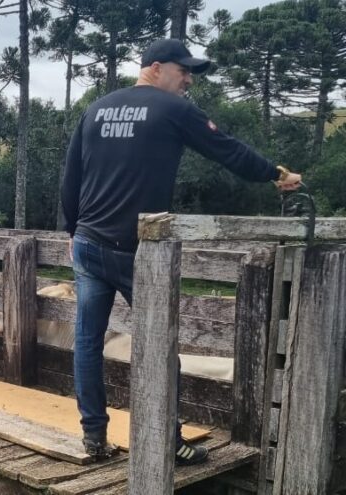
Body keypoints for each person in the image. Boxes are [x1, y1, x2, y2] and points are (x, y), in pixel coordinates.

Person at [61, 38, 302, 465]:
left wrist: (69, 228)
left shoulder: (96, 109)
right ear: (155, 68)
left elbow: (71, 176)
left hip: (87, 243)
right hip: (138, 251)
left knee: (86, 343)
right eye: (183, 71)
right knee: (159, 345)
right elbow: (227, 150)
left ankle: (93, 438)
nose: (188, 80)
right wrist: (276, 174)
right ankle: (168, 441)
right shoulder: (173, 110)